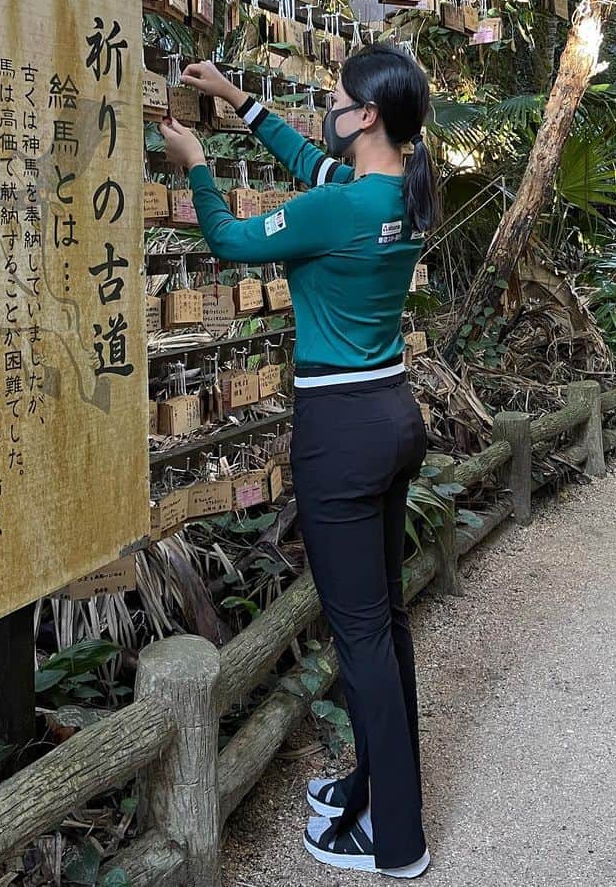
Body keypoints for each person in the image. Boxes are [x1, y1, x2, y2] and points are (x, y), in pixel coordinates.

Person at [159, 44, 439, 879]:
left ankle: (396, 841)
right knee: (383, 624)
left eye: (339, 97)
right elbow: (317, 168)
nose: (331, 104)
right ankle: (375, 787)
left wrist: (198, 163)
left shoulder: (342, 209)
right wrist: (241, 102)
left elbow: (234, 241)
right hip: (390, 417)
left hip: (341, 435)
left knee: (360, 639)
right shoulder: (399, 195)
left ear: (369, 117)